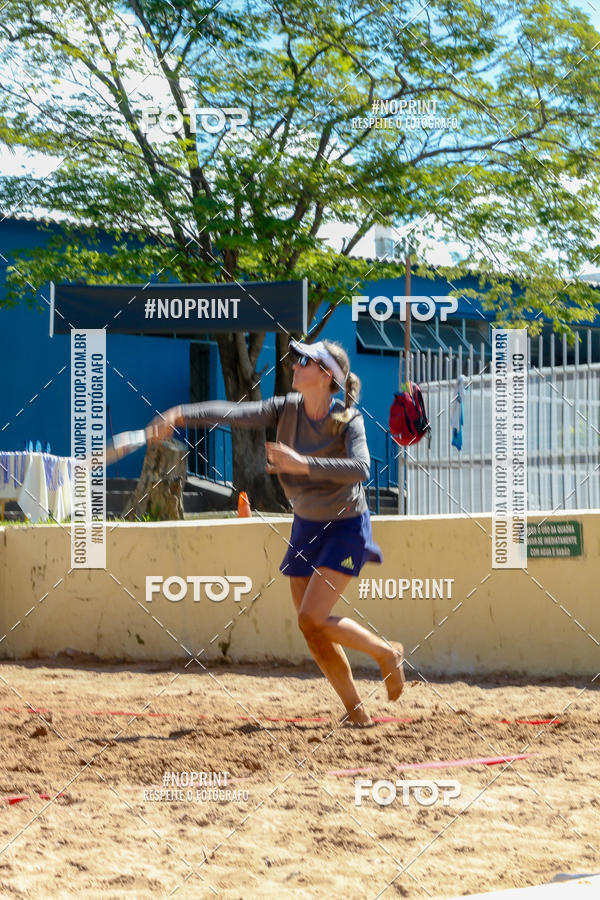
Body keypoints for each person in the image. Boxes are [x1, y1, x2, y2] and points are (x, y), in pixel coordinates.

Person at [147, 338, 404, 727]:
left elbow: (363, 468)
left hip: (346, 527)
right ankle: (357, 714)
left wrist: (303, 464)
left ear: (324, 376)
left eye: (305, 360)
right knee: (309, 625)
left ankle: (386, 652)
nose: (295, 362)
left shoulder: (348, 420)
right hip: (306, 526)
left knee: (314, 615)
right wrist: (181, 414)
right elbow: (234, 414)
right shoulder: (285, 408)